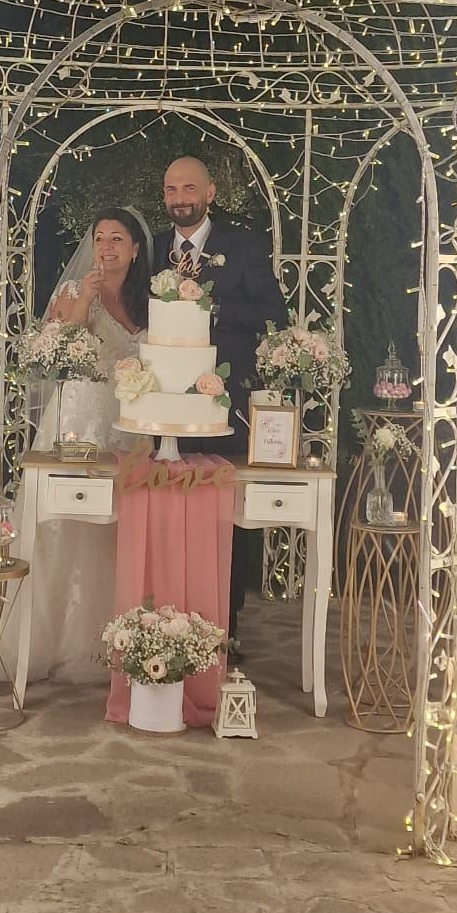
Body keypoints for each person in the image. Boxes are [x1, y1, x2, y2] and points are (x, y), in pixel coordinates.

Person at [159, 157, 287, 632]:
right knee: (170, 510)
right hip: (165, 407)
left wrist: (210, 306)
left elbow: (273, 311)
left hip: (225, 402)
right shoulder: (153, 248)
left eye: (189, 188)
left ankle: (223, 626)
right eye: (172, 190)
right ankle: (168, 618)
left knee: (222, 516)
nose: (180, 199)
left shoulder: (244, 246)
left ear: (209, 193)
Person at [25, 209, 151, 681]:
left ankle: (112, 638)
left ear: (135, 249)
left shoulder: (149, 300)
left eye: (118, 239)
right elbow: (55, 346)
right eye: (100, 238)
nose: (107, 247)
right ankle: (53, 640)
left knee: (116, 530)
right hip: (79, 419)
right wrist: (86, 300)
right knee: (65, 524)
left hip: (128, 424)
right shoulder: (75, 291)